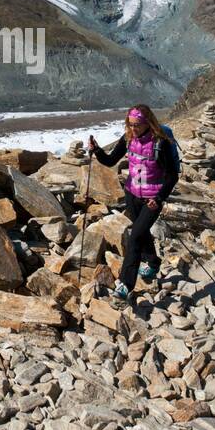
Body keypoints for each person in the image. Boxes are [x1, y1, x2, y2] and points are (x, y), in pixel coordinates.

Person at [88, 104, 181, 307]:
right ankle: (153, 263)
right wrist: (96, 151)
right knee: (142, 231)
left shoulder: (161, 143)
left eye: (137, 125)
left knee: (135, 236)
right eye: (129, 125)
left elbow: (173, 176)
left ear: (148, 123)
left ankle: (125, 284)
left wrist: (158, 197)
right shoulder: (128, 138)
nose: (133, 129)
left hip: (152, 199)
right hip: (132, 194)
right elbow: (111, 160)